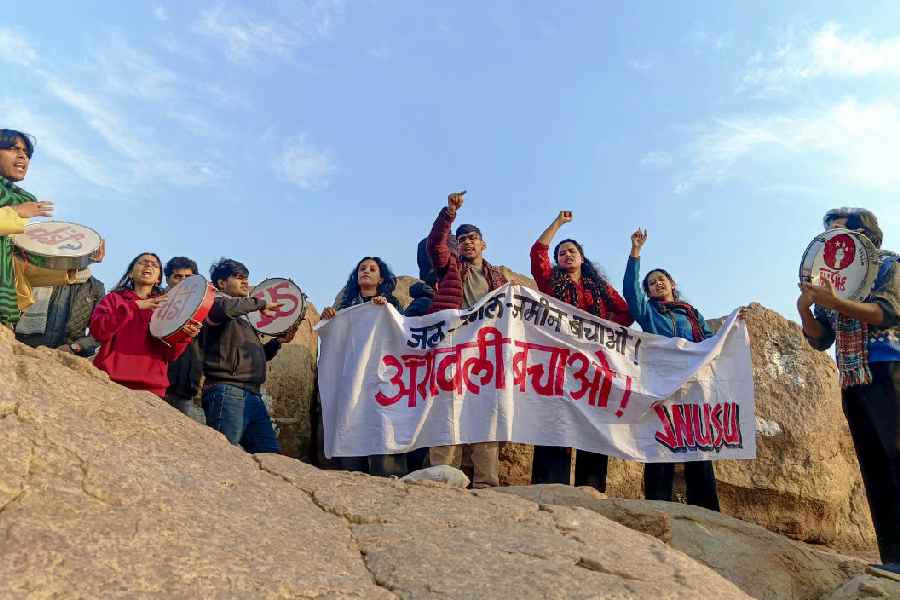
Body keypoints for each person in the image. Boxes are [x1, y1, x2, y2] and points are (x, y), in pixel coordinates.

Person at [798, 208, 899, 575]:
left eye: (839, 236)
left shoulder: (889, 267)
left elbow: (886, 312)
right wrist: (806, 309)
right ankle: (892, 557)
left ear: (864, 236)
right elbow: (820, 338)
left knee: (897, 459)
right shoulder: (835, 282)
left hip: (889, 369)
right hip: (853, 377)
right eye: (827, 239)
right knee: (874, 466)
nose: (832, 247)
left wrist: (836, 303)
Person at [529, 211, 634, 491]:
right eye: (561, 252)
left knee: (594, 422)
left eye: (571, 251)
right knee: (556, 420)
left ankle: (591, 488)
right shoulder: (550, 282)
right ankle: (550, 486)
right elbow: (538, 252)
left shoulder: (598, 288)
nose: (566, 255)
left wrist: (603, 327)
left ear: (582, 258)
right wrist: (558, 224)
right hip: (559, 364)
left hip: (594, 368)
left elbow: (625, 313)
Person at [624, 228, 720, 511]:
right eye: (651, 284)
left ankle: (706, 509)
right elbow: (630, 290)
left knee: (697, 444)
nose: (657, 285)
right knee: (660, 445)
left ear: (672, 283)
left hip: (692, 386)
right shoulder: (647, 313)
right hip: (660, 385)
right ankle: (658, 506)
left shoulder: (689, 312)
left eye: (661, 280)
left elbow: (708, 340)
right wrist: (635, 252)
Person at [425, 191, 507, 488]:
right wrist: (449, 214)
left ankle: (487, 483)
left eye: (473, 238)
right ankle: (443, 478)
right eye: (462, 239)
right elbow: (435, 244)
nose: (468, 242)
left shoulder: (498, 279)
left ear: (483, 244)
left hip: (487, 352)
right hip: (452, 346)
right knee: (448, 409)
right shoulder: (450, 267)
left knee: (486, 415)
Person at [321, 256, 408, 476]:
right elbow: (333, 339)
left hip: (382, 380)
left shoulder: (391, 305)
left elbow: (402, 335)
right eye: (362, 268)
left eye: (372, 269)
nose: (366, 272)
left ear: (381, 278)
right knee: (351, 427)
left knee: (383, 430)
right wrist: (329, 318)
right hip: (351, 380)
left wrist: (385, 308)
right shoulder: (345, 307)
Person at [201, 258, 294, 453]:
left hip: (252, 394)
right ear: (221, 283)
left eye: (246, 278)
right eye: (238, 277)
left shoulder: (244, 318)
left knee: (270, 456)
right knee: (223, 456)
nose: (245, 282)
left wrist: (277, 342)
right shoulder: (215, 304)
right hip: (227, 392)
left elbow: (257, 357)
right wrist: (260, 303)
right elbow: (226, 309)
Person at [90, 253, 200, 397]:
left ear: (158, 279)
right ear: (130, 272)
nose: (149, 265)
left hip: (151, 388)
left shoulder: (168, 307)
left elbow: (170, 354)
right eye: (143, 262)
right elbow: (98, 331)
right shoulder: (113, 299)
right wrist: (134, 306)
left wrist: (184, 337)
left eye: (154, 265)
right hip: (109, 379)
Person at [0, 129, 74, 328]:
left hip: (5, 314)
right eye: (13, 148)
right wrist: (15, 212)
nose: (22, 155)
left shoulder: (21, 200)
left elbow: (16, 266)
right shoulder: (21, 208)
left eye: (26, 152)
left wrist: (73, 263)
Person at [162, 256, 206, 424]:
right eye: (178, 277)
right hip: (158, 383)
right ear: (167, 279)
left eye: (188, 278)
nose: (183, 281)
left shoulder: (202, 308)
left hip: (185, 388)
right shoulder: (156, 302)